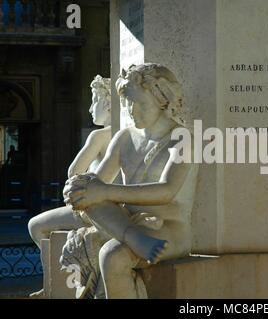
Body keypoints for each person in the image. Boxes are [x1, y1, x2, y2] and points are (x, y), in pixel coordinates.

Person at [63, 63, 194, 298]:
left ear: (162, 100)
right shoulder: (124, 137)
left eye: (140, 104)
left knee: (112, 256)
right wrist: (79, 187)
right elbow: (98, 184)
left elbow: (167, 191)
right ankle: (132, 237)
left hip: (168, 229)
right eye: (128, 103)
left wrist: (104, 191)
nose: (132, 111)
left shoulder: (182, 139)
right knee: (85, 192)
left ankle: (131, 237)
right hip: (126, 222)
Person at [28, 75, 113, 298]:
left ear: (108, 103)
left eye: (94, 101)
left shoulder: (99, 136)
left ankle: (54, 283)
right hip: (116, 210)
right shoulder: (125, 136)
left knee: (35, 226)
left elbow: (73, 171)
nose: (90, 109)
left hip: (95, 210)